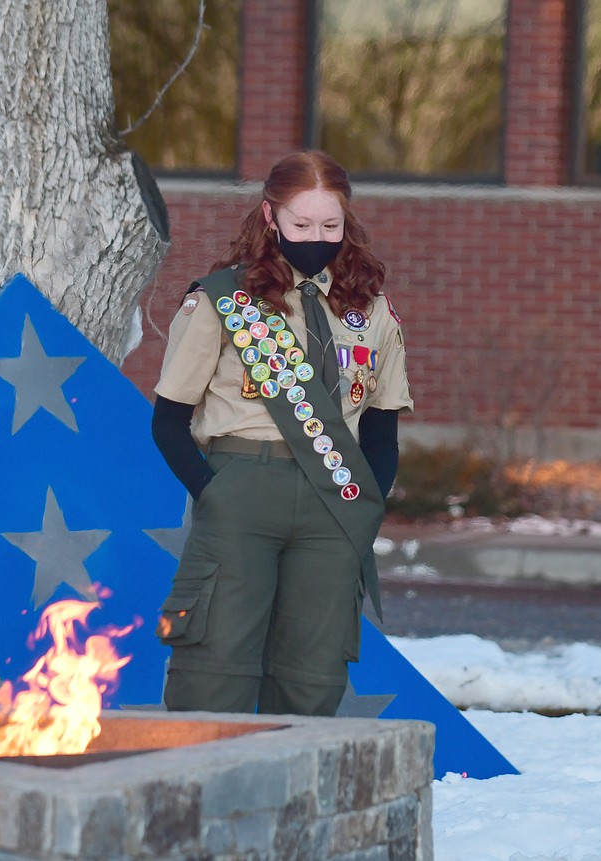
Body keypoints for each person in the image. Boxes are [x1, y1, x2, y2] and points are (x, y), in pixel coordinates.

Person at [150, 149, 413, 717]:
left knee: (312, 674)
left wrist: (368, 502)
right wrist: (213, 492)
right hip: (242, 489)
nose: (316, 237)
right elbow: (168, 421)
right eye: (301, 224)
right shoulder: (223, 302)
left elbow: (381, 429)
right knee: (214, 665)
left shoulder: (372, 311)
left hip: (335, 504)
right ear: (270, 217)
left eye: (330, 225)